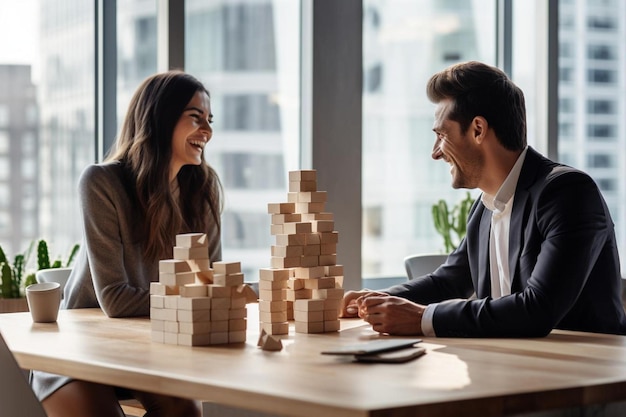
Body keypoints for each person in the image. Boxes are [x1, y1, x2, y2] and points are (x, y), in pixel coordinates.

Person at [341, 61, 626, 338]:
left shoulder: (567, 192)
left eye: (442, 135)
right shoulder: (484, 207)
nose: (435, 152)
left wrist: (421, 318)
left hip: (587, 374)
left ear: (478, 129)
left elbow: (539, 308)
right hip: (515, 366)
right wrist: (375, 299)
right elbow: (449, 281)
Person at [31, 70, 222, 417]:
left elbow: (214, 285)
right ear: (160, 118)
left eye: (209, 120)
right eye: (196, 118)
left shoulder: (202, 192)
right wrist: (201, 298)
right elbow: (115, 300)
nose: (207, 131)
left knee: (186, 412)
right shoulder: (102, 182)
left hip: (150, 350)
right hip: (81, 351)